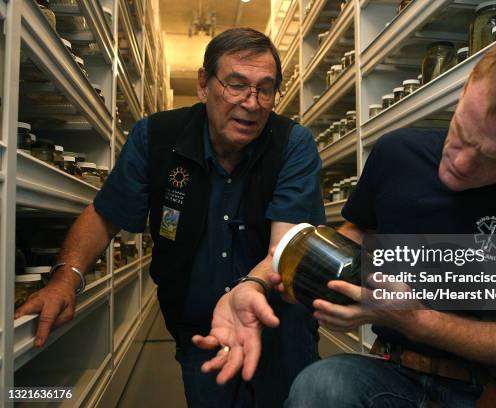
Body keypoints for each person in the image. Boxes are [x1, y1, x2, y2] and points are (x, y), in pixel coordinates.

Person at [202, 33, 496, 407]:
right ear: (467, 87)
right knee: (320, 385)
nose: (459, 162)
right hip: (390, 373)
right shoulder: (397, 152)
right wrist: (280, 280)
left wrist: (416, 319)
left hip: (484, 390)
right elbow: (355, 233)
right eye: (460, 132)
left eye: (492, 158)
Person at [14, 28, 324, 407]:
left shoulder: (293, 143)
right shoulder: (157, 138)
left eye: (265, 89)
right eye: (236, 85)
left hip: (281, 331)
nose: (252, 102)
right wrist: (66, 278)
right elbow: (104, 215)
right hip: (199, 334)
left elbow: (285, 244)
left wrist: (252, 287)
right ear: (203, 84)